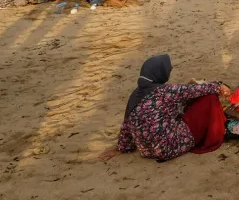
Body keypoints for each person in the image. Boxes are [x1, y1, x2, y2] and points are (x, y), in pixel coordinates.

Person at [98, 55, 230, 163]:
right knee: (209, 98)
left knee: (181, 105)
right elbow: (195, 90)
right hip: (171, 147)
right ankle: (218, 128)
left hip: (147, 151)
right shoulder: (164, 91)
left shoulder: (135, 95)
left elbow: (126, 124)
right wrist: (219, 85)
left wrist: (121, 148)